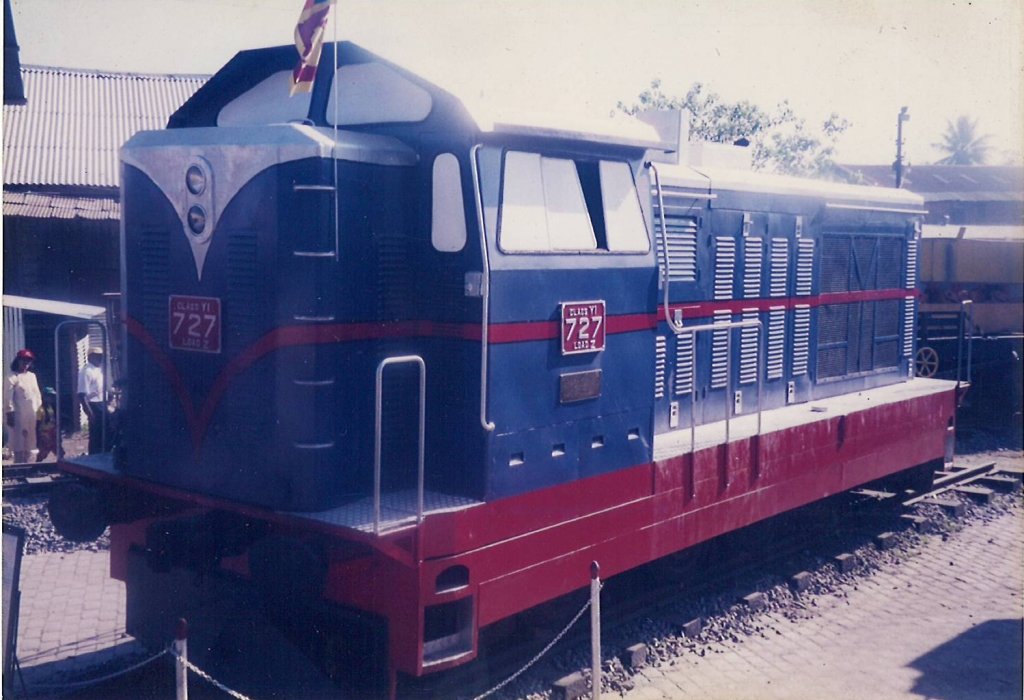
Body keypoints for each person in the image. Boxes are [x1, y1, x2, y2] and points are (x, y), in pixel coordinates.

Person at [4, 349, 43, 463]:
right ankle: (19, 465)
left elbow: (37, 394)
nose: (26, 364)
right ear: (18, 361)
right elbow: (7, 397)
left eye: (28, 361)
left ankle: (30, 464)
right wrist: (10, 413)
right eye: (23, 361)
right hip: (18, 415)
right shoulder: (11, 377)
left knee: (31, 440)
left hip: (32, 414)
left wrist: (39, 411)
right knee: (19, 440)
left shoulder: (32, 376)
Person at [77, 347, 106, 454]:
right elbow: (81, 395)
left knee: (104, 433)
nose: (100, 358)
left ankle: (102, 454)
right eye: (97, 356)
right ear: (90, 357)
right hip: (93, 406)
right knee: (95, 434)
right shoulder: (86, 371)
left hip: (102, 403)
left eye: (101, 356)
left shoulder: (98, 370)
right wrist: (90, 413)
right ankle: (93, 456)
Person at [36, 387, 58, 462]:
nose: (50, 399)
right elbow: (38, 424)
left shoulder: (51, 408)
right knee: (44, 451)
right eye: (49, 396)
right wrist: (38, 437)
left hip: (52, 431)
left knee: (57, 449)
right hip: (44, 433)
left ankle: (63, 465)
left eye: (52, 397)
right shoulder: (41, 410)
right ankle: (36, 467)